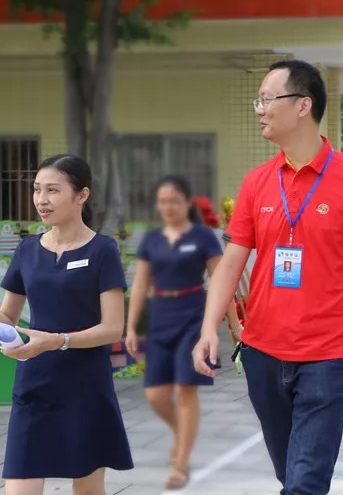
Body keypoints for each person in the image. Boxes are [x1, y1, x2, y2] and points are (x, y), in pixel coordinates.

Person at [192, 59, 343, 495]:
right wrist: (210, 327)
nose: (260, 109)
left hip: (327, 354)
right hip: (262, 351)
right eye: (258, 100)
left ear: (303, 105)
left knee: (305, 482)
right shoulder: (256, 183)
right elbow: (230, 262)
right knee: (291, 473)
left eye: (268, 99)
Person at [0, 154, 133, 495]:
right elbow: (8, 315)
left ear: (81, 195)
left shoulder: (103, 250)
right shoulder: (27, 250)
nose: (41, 200)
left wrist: (56, 341)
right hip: (34, 384)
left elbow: (112, 329)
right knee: (19, 485)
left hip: (85, 386)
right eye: (36, 190)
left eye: (52, 190)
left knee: (87, 488)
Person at [125, 175, 242, 490]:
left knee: (185, 388)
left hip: (194, 316)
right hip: (161, 315)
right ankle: (182, 433)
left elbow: (222, 281)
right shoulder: (152, 240)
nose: (168, 207)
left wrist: (234, 324)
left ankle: (181, 463)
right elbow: (140, 284)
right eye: (162, 201)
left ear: (187, 203)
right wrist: (131, 326)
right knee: (155, 393)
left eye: (174, 200)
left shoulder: (203, 238)